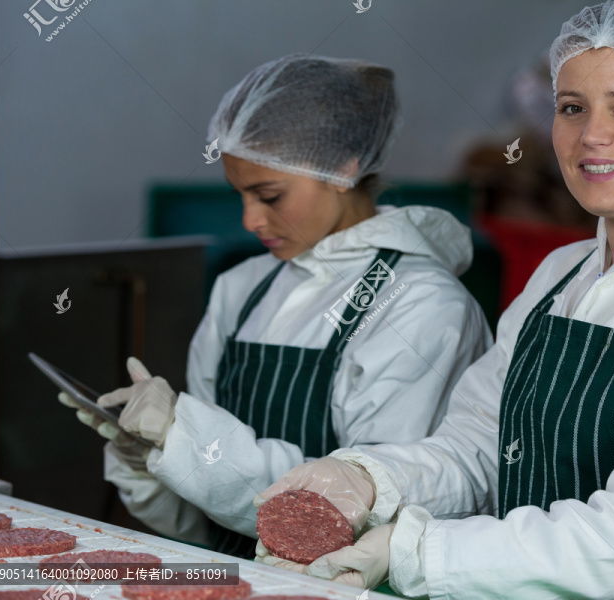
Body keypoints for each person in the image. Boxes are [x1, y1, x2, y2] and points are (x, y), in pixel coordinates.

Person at [255, 4, 614, 598]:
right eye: (573, 107)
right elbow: (477, 446)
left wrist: (415, 551)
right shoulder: (557, 276)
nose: (592, 135)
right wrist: (368, 480)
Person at [58, 54, 492, 559]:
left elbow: (361, 514)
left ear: (343, 168)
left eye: (269, 195)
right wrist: (152, 461)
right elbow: (203, 523)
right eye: (240, 194)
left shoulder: (418, 304)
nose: (249, 220)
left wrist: (184, 438)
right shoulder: (242, 290)